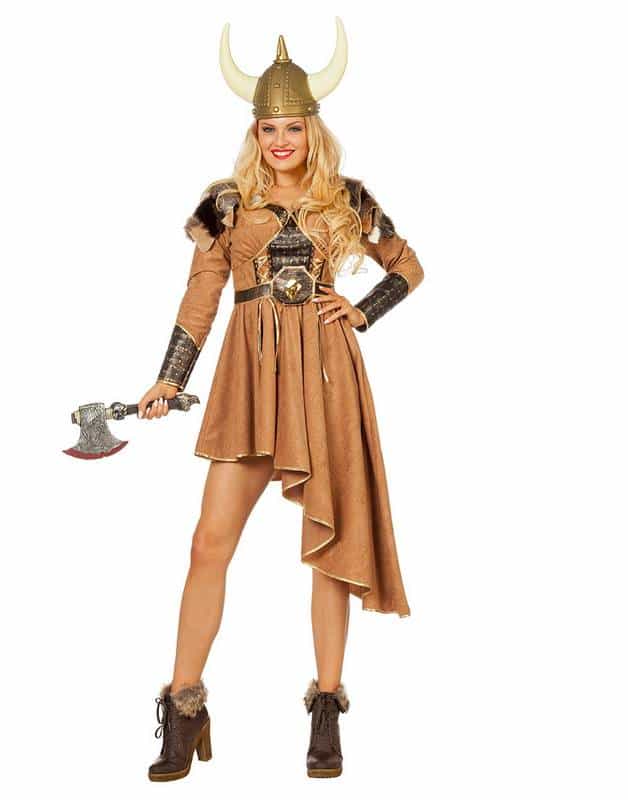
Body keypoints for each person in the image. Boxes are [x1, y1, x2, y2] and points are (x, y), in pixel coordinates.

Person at [138, 17, 424, 781]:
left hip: (327, 376)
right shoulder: (227, 204)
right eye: (268, 128)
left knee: (329, 548)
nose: (280, 141)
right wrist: (171, 377)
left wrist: (363, 309)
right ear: (254, 132)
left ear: (312, 128)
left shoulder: (347, 198)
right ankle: (185, 705)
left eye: (292, 127)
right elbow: (202, 295)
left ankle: (327, 706)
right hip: (249, 381)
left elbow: (408, 265)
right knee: (209, 543)